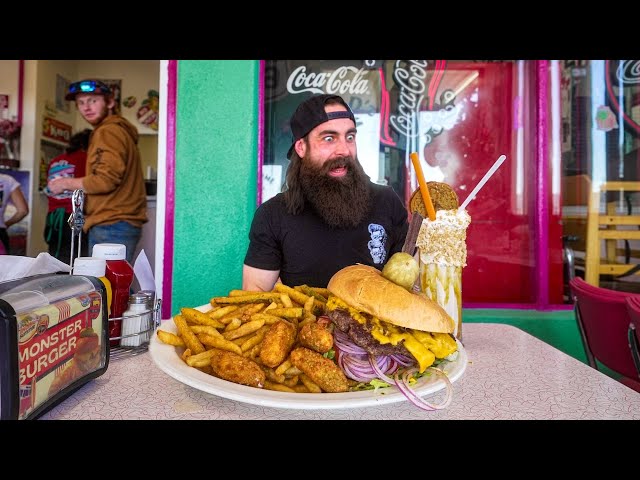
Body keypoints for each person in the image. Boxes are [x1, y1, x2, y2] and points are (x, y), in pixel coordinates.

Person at [243, 94, 409, 291]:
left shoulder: (387, 202)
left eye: (350, 137)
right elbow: (254, 296)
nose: (344, 150)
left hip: (376, 322)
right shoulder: (272, 215)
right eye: (329, 138)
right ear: (301, 147)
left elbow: (410, 284)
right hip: (305, 322)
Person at [47, 79, 147, 265]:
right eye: (81, 102)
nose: (86, 107)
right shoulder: (118, 130)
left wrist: (64, 183)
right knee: (116, 285)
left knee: (107, 287)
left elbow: (105, 180)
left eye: (93, 100)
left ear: (110, 102)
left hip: (111, 223)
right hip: (118, 222)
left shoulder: (107, 131)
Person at [43, 128, 92, 263]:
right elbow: (91, 185)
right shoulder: (85, 158)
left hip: (53, 217)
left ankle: (57, 283)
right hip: (74, 215)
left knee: (56, 258)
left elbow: (48, 189)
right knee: (77, 260)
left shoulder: (55, 161)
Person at [0, 173, 29, 255]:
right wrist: (6, 224)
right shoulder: (7, 180)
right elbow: (23, 211)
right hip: (1, 233)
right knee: (4, 267)